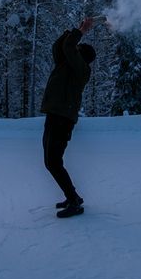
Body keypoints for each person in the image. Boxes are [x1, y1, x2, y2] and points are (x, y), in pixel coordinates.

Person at [40, 17, 97, 218]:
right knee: (50, 161)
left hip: (63, 119)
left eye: (78, 49)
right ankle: (73, 196)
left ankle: (74, 201)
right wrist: (70, 31)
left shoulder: (81, 70)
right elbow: (60, 47)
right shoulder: (67, 65)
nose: (74, 50)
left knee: (53, 162)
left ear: (81, 56)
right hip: (55, 115)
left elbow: (69, 48)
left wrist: (81, 31)